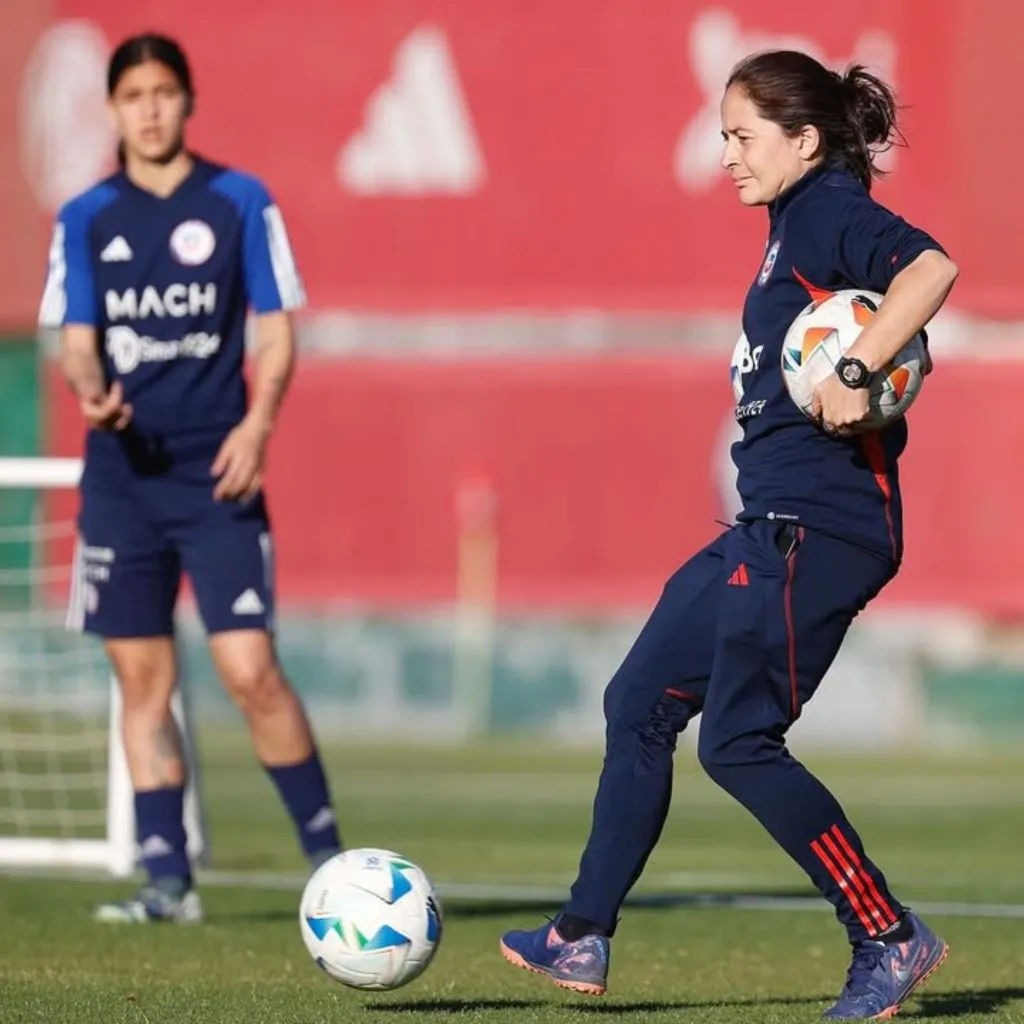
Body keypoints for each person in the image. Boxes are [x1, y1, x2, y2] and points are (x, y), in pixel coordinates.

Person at [499, 50, 959, 1020]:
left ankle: (886, 934)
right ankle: (581, 933)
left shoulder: (829, 208)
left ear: (803, 139)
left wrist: (859, 366)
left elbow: (930, 269)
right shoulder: (789, 222)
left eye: (741, 136)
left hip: (820, 529)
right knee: (637, 700)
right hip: (765, 525)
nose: (725, 156)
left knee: (740, 743)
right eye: (721, 135)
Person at [38, 33, 342, 923]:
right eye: (133, 94)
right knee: (143, 683)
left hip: (218, 476)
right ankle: (167, 880)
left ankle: (332, 860)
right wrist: (92, 395)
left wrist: (259, 424)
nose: (150, 108)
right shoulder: (86, 216)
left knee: (250, 669)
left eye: (164, 91)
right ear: (113, 108)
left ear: (188, 100)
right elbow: (76, 343)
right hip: (122, 484)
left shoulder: (241, 201)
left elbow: (278, 331)